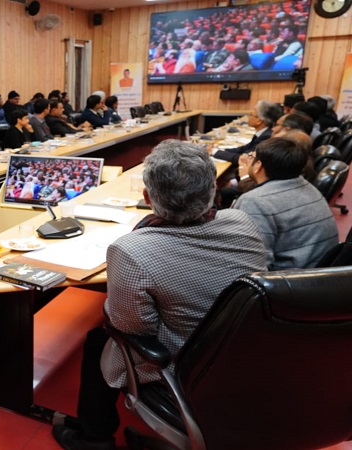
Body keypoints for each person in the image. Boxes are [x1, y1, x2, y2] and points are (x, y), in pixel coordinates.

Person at [52, 140, 268, 450]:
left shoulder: (132, 250)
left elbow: (131, 328)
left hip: (184, 363)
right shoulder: (242, 221)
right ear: (212, 191)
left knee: (100, 338)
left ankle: (94, 439)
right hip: (244, 350)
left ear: (147, 197)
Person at [234, 137, 338, 270]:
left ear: (258, 165)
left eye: (251, 157)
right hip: (319, 271)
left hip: (290, 278)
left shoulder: (254, 201)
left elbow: (254, 264)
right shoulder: (307, 186)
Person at [213, 100, 281, 165]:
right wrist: (220, 150)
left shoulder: (265, 137)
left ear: (259, 121)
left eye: (250, 115)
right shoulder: (263, 133)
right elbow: (243, 149)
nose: (248, 117)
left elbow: (244, 158)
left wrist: (215, 152)